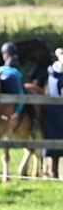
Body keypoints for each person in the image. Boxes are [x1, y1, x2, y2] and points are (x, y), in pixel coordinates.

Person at [44, 48, 63, 178]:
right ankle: (53, 172)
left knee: (53, 141)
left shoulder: (51, 72)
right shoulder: (54, 73)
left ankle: (53, 172)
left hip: (52, 111)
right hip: (55, 112)